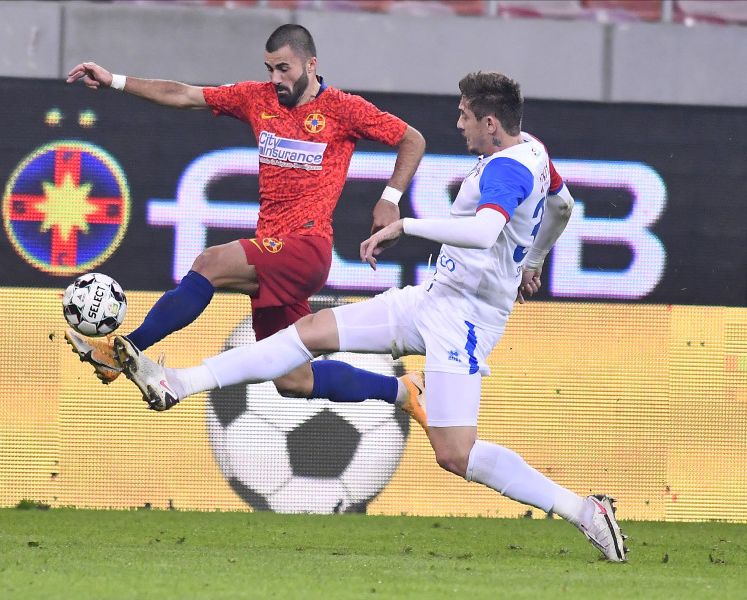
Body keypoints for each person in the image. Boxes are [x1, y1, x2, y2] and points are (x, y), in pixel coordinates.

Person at [111, 71, 628, 562]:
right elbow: (563, 207)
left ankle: (585, 510)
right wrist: (533, 262)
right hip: (434, 298)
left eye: (466, 116)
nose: (459, 124)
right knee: (307, 332)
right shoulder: (534, 152)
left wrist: (407, 226)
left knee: (456, 454)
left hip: (465, 323)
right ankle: (178, 381)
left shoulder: (507, 168)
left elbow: (484, 232)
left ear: (491, 124)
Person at [63, 24, 426, 405]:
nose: (276, 78)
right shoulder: (258, 98)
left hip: (306, 247)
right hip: (275, 251)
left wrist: (390, 198)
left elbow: (412, 139)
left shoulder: (342, 109)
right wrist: (115, 81)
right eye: (270, 68)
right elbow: (184, 94)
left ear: (311, 64)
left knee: (209, 262)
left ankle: (122, 353)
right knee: (292, 380)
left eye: (284, 68)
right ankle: (404, 391)